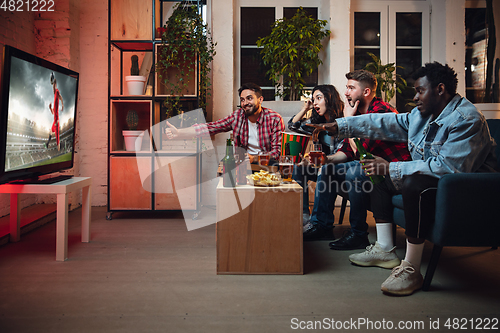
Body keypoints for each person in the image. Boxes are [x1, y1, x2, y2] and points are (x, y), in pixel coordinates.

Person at [309, 62, 498, 296]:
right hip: (440, 180)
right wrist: (340, 126)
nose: (415, 96)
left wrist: (392, 167)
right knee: (378, 175)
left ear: (440, 89)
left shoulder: (466, 119)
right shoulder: (423, 114)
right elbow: (386, 122)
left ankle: (411, 268)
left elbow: (449, 168)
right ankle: (386, 248)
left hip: (467, 190)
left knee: (411, 181)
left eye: (420, 91)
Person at [303, 70, 410, 243]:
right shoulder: (357, 113)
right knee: (327, 169)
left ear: (366, 92)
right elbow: (346, 152)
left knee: (355, 171)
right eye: (346, 87)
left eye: (351, 88)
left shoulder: (381, 112)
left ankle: (358, 234)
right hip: (370, 166)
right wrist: (326, 159)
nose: (345, 92)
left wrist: (348, 122)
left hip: (391, 169)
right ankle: (321, 225)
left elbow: (362, 153)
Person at [165, 83, 285, 162]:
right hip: (242, 166)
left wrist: (254, 158)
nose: (245, 103)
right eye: (242, 100)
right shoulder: (238, 116)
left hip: (267, 167)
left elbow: (277, 152)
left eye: (249, 98)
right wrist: (179, 133)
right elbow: (211, 127)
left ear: (260, 99)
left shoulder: (274, 119)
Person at [288, 84, 344, 224]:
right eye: (313, 99)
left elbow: (346, 153)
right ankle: (303, 216)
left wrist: (324, 161)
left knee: (324, 169)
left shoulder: (343, 121)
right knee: (298, 167)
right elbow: (292, 126)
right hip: (323, 165)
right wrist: (305, 108)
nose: (315, 103)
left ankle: (319, 223)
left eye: (319, 98)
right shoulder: (317, 123)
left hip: (340, 167)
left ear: (330, 98)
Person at [46, 72, 63, 151]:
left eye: (54, 85)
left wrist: (62, 105)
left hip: (57, 123)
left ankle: (60, 150)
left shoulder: (57, 91)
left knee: (57, 142)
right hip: (54, 122)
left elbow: (61, 97)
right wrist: (50, 108)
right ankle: (47, 143)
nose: (53, 87)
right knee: (50, 131)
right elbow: (53, 113)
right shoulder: (54, 94)